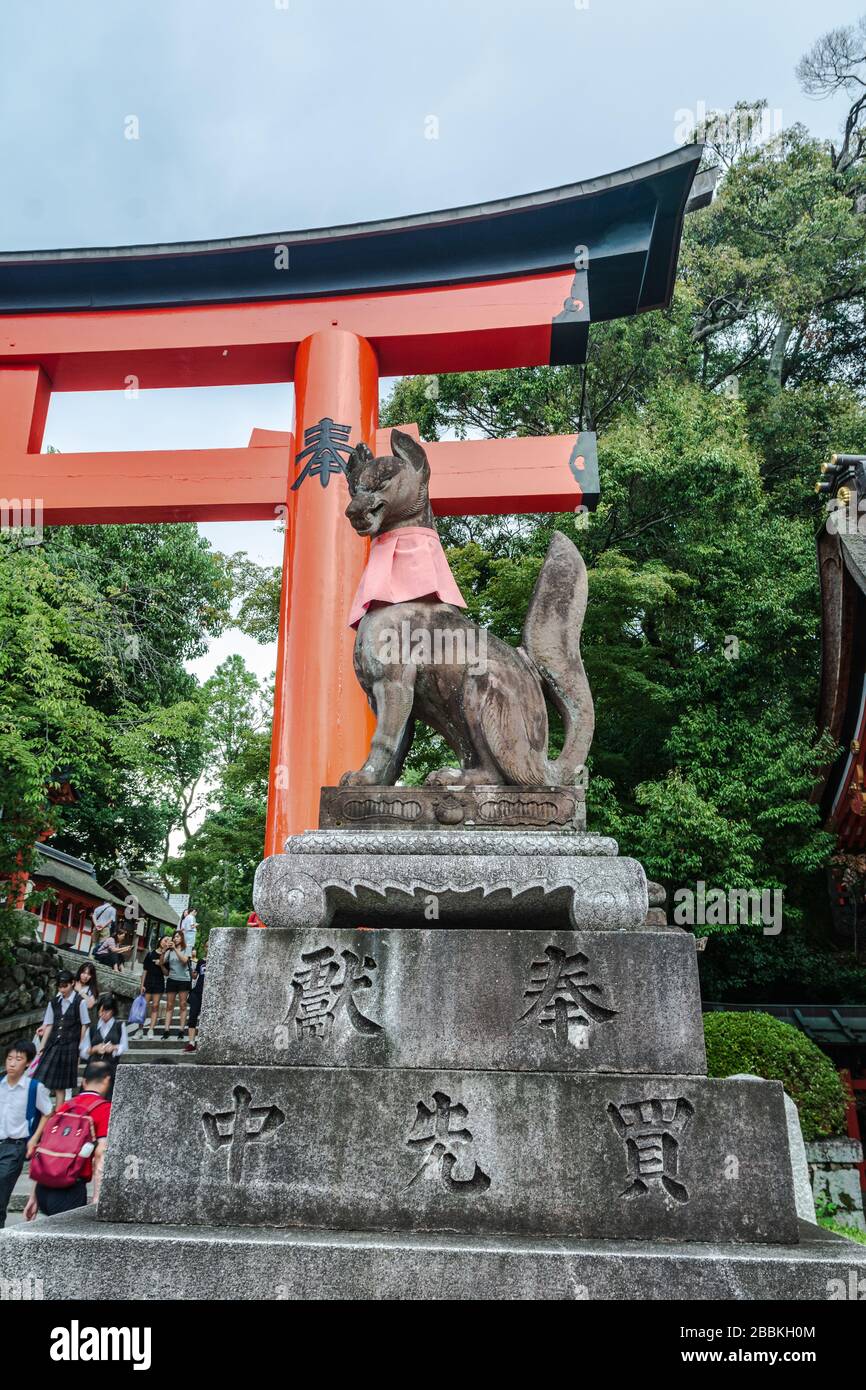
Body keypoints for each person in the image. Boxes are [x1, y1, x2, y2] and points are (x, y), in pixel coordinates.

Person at [24, 1060, 113, 1219]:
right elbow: (101, 1154)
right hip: (70, 1189)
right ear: (107, 1080)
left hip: (44, 1188)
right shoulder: (104, 1109)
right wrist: (97, 1200)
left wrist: (33, 1197)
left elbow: (46, 1149)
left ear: (84, 1082)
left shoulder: (66, 1105)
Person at [0, 1040, 53, 1227]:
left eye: (18, 1059)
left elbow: (48, 1112)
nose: (12, 1063)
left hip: (15, 1147)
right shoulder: (0, 1085)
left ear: (28, 1063)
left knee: (1, 1193)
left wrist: (34, 1140)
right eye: (9, 1058)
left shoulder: (34, 1087)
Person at [33, 971, 90, 1108]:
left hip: (70, 1046)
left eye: (65, 986)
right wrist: (42, 1046)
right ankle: (44, 1112)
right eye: (60, 986)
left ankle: (58, 1115)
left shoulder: (79, 1002)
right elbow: (49, 1023)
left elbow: (84, 1024)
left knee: (60, 1086)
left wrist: (80, 1047)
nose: (62, 989)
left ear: (72, 984)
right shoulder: (53, 1003)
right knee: (39, 1080)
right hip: (53, 1045)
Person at [80, 993, 128, 1095]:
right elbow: (84, 1050)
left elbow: (124, 1046)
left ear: (113, 1011)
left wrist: (113, 1047)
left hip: (111, 1067)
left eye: (106, 1011)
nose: (103, 1014)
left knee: (109, 1097)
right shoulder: (93, 1028)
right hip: (94, 1067)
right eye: (100, 1011)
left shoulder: (119, 1026)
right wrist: (95, 1049)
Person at [161, 932, 192, 1041]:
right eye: (174, 937)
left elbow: (184, 961)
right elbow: (161, 962)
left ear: (182, 938)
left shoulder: (186, 948)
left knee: (183, 1005)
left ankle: (181, 1030)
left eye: (178, 936)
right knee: (169, 1005)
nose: (175, 938)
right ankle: (166, 1030)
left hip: (184, 979)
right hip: (172, 979)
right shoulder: (169, 951)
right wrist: (163, 951)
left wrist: (175, 949)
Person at [142, 934, 171, 1038]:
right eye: (165, 940)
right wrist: (142, 985)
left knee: (155, 1006)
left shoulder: (167, 956)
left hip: (159, 983)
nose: (166, 942)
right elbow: (145, 971)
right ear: (160, 941)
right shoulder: (150, 954)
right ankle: (140, 1030)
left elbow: (166, 973)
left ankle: (151, 1029)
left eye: (168, 941)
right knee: (143, 1007)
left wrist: (161, 964)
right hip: (148, 982)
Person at [184, 953, 207, 1053]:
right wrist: (190, 969)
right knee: (192, 1016)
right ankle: (191, 1043)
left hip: (209, 993)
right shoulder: (201, 961)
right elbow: (194, 976)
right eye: (207, 946)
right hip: (197, 991)